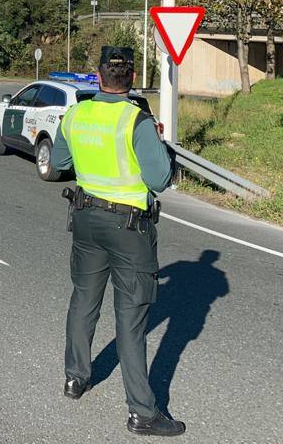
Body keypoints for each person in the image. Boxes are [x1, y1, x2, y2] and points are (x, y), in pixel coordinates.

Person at [50, 46, 184, 437]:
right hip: (129, 229)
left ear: (99, 76)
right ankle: (142, 412)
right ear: (131, 79)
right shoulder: (136, 120)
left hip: (86, 220)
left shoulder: (76, 114)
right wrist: (161, 148)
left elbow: (59, 164)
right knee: (131, 318)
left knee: (83, 300)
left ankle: (75, 378)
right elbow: (160, 180)